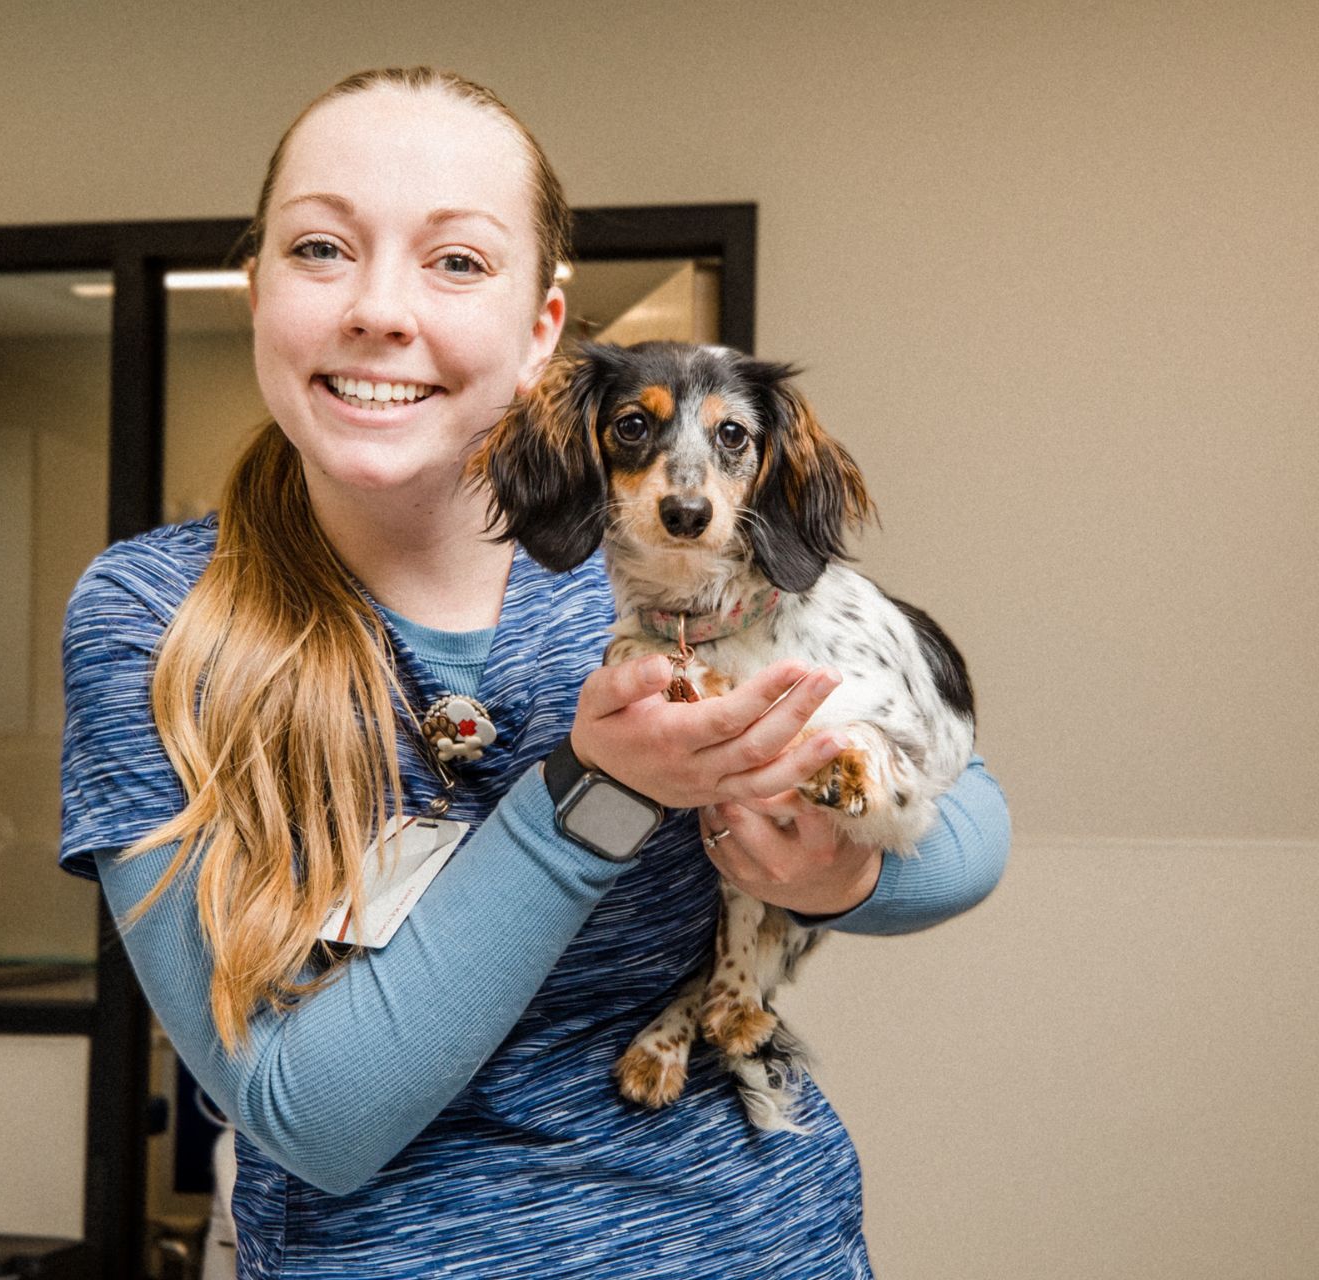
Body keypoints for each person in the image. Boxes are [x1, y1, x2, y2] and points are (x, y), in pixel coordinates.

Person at [60, 66, 1008, 1279]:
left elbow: (971, 815)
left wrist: (835, 871)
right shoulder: (156, 618)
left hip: (773, 1242)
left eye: (456, 262)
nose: (379, 309)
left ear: (542, 331)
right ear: (257, 289)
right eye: (319, 248)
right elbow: (313, 1114)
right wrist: (596, 793)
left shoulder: (655, 561)